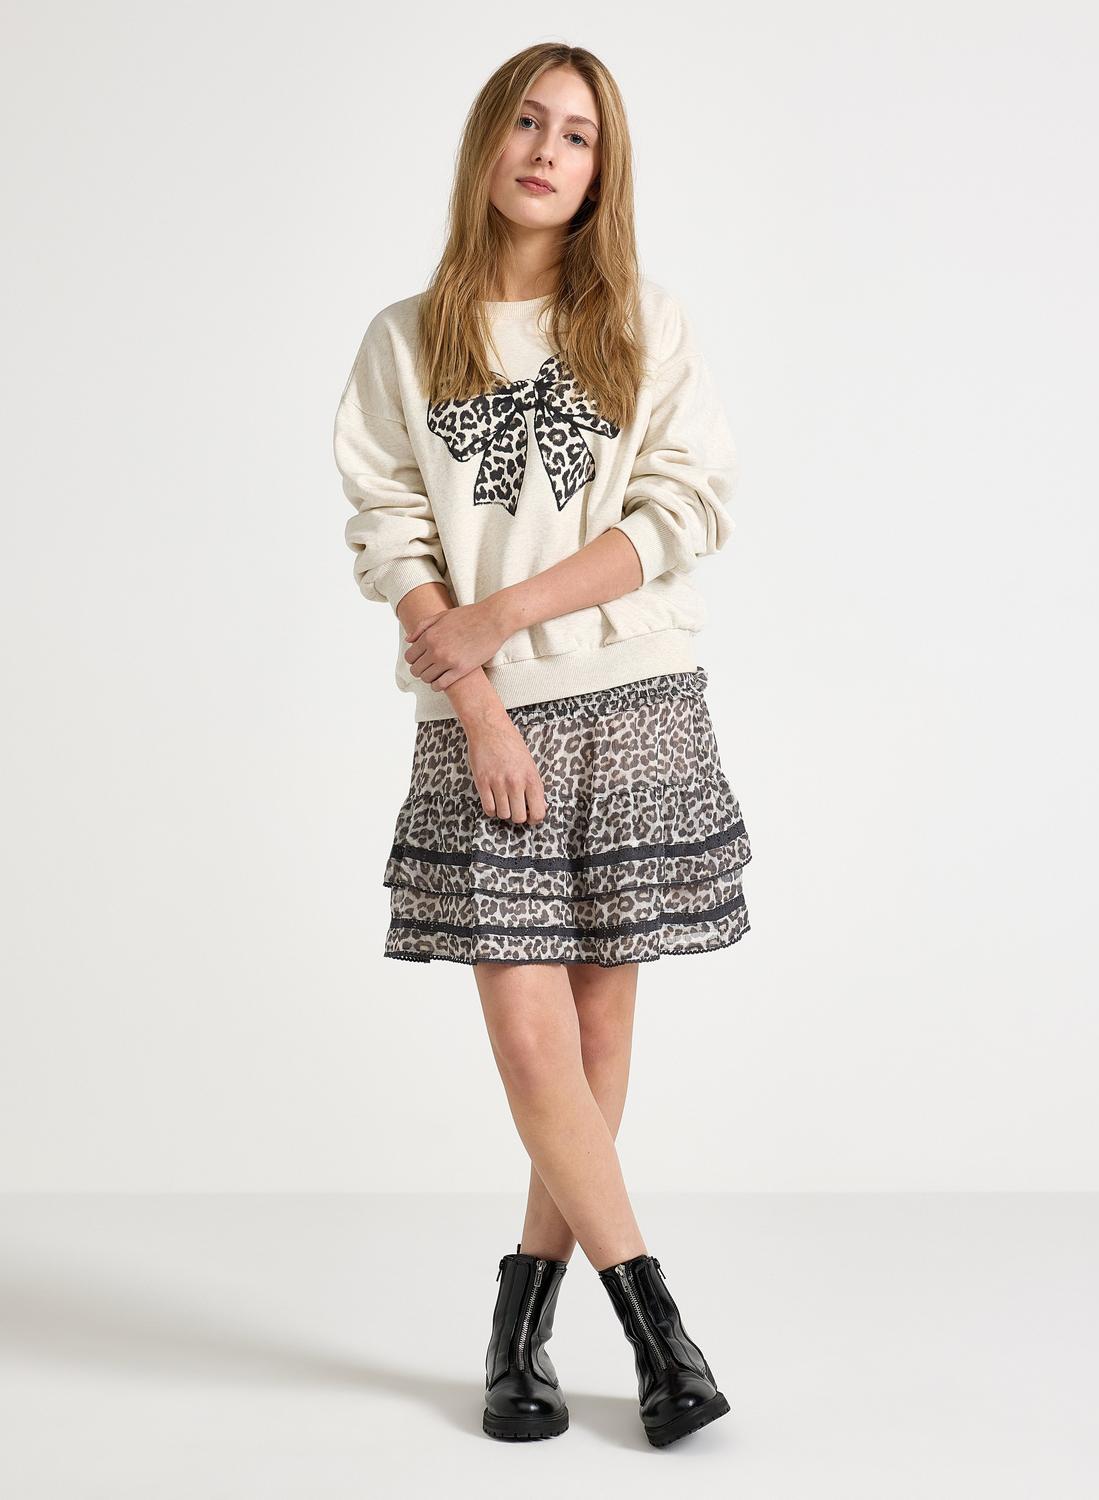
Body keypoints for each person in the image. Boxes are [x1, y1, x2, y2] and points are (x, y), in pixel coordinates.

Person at [332, 41, 752, 1449]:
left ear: (598, 173)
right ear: (488, 141)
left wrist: (506, 613)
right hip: (482, 716)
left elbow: (684, 511)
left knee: (596, 1031)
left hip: (633, 702)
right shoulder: (406, 339)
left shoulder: (641, 321)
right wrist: (480, 699)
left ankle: (521, 1328)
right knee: (529, 1041)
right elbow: (390, 530)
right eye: (528, 120)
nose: (547, 150)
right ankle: (660, 1331)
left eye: (577, 135)